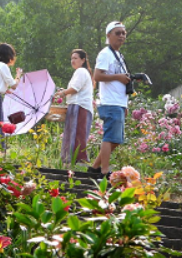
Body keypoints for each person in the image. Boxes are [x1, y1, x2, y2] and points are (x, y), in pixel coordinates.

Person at [87, 21, 132, 178]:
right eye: (117, 33)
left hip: (118, 102)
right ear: (108, 35)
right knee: (110, 137)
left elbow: (120, 80)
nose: (121, 36)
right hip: (110, 102)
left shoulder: (119, 55)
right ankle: (104, 172)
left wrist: (125, 104)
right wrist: (118, 77)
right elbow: (97, 76)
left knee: (116, 139)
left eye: (123, 33)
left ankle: (94, 168)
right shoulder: (105, 54)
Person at [55, 49, 94, 165]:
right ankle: (72, 160)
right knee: (74, 133)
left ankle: (81, 161)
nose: (73, 61)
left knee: (78, 134)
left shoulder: (81, 71)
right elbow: (74, 89)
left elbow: (75, 89)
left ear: (83, 60)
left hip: (80, 106)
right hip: (76, 105)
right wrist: (64, 91)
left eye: (75, 58)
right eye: (72, 58)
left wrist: (63, 93)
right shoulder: (79, 72)